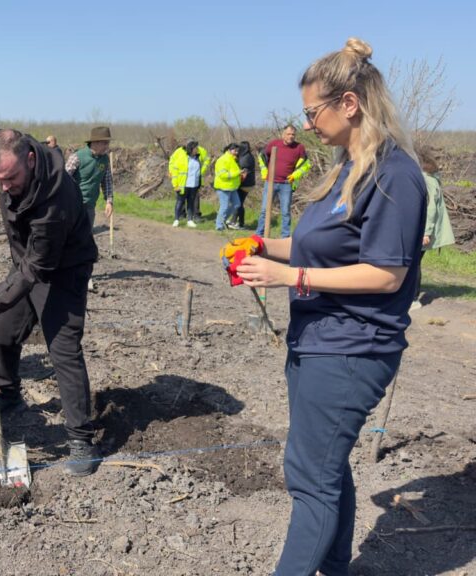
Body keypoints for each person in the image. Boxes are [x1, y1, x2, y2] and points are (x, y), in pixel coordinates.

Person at [229, 38, 425, 575]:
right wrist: (264, 248)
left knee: (310, 478)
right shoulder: (346, 168)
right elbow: (321, 246)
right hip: (317, 339)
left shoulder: (394, 176)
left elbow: (387, 273)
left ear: (349, 103)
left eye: (312, 111)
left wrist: (291, 277)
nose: (308, 123)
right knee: (326, 467)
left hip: (353, 347)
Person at [0, 124, 101, 477]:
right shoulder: (9, 145)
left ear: (30, 160)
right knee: (5, 332)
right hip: (26, 265)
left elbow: (37, 268)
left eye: (11, 178)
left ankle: (81, 439)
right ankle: (9, 396)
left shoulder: (56, 200)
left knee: (63, 350)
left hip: (61, 271)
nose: (4, 187)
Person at [412, 147, 455, 310]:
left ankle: (413, 299)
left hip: (423, 230)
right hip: (422, 229)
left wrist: (426, 232)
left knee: (413, 263)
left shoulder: (427, 180)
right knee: (413, 262)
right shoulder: (429, 178)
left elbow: (430, 208)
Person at [256, 124, 311, 238]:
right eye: (288, 134)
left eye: (293, 134)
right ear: (283, 134)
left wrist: (295, 175)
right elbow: (261, 157)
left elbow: (306, 165)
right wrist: (265, 172)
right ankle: (259, 234)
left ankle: (285, 236)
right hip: (270, 182)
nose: (291, 136)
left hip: (286, 184)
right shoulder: (274, 144)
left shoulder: (299, 147)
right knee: (265, 210)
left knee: (285, 211)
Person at [65, 126, 114, 228]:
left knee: (86, 238)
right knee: (70, 238)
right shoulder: (77, 157)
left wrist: (109, 202)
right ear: (95, 142)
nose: (107, 146)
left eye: (108, 143)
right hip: (73, 205)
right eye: (105, 143)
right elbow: (63, 180)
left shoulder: (105, 160)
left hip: (90, 207)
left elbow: (107, 182)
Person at [168, 140, 210, 227]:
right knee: (180, 202)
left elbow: (203, 166)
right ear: (191, 149)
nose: (198, 149)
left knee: (191, 203)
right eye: (196, 148)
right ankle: (176, 219)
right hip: (183, 185)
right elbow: (175, 172)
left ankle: (190, 220)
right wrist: (175, 185)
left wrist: (201, 174)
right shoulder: (183, 158)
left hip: (194, 185)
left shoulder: (197, 158)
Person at [213, 143, 244, 230]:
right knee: (224, 206)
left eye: (237, 150)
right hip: (223, 187)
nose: (236, 152)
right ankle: (219, 226)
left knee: (236, 204)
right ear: (229, 150)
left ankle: (222, 220)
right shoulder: (223, 160)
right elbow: (223, 175)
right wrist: (238, 173)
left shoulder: (233, 159)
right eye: (235, 150)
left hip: (232, 187)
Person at [234, 141, 256, 229]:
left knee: (238, 203)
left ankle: (239, 223)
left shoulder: (245, 158)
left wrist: (238, 182)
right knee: (239, 202)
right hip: (249, 183)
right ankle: (236, 221)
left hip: (244, 184)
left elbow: (244, 173)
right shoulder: (250, 156)